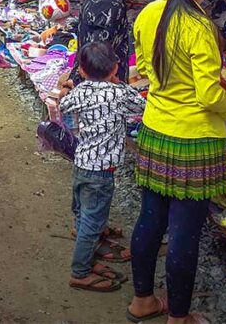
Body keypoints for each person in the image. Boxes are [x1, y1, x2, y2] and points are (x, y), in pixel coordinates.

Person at [127, 0, 226, 324]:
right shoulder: (200, 27)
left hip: (155, 130)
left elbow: (143, 69)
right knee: (183, 233)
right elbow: (210, 95)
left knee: (150, 219)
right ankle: (178, 318)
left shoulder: (148, 13)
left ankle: (142, 300)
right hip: (195, 141)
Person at [60, 42, 146, 293]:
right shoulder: (120, 94)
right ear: (116, 67)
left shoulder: (81, 91)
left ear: (83, 71)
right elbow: (142, 107)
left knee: (82, 213)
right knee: (92, 221)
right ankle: (80, 271)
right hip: (101, 172)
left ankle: (90, 254)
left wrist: (68, 88)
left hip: (81, 163)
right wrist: (117, 83)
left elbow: (64, 105)